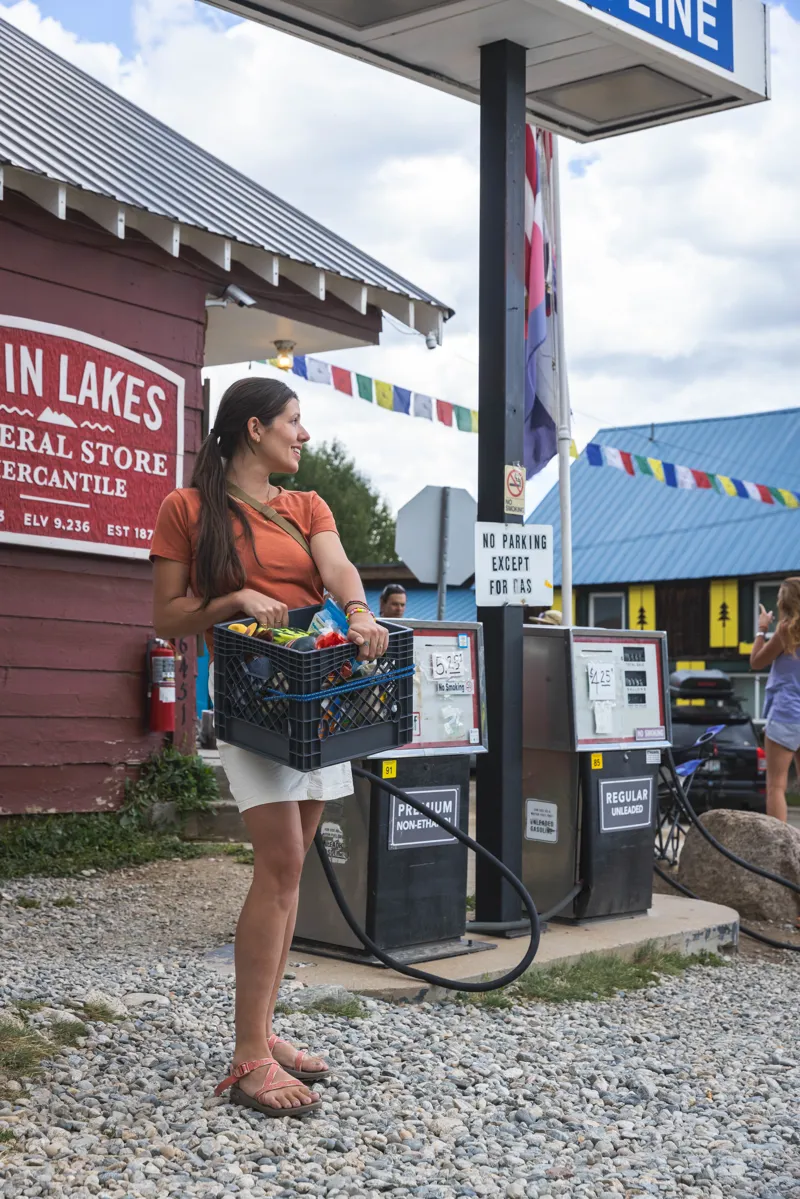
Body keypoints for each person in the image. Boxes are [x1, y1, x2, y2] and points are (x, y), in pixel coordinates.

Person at [150, 377, 387, 1118]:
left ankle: (263, 1027)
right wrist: (233, 599)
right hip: (255, 703)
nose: (304, 435)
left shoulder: (308, 504)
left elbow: (338, 565)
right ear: (254, 429)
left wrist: (356, 608)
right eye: (294, 421)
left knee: (291, 872)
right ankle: (248, 1053)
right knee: (280, 864)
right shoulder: (186, 509)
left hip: (319, 698)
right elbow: (169, 612)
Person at [749, 577, 800, 823]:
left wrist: (762, 629)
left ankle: (779, 851)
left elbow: (756, 661)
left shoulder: (786, 630)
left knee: (776, 786)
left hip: (786, 714)